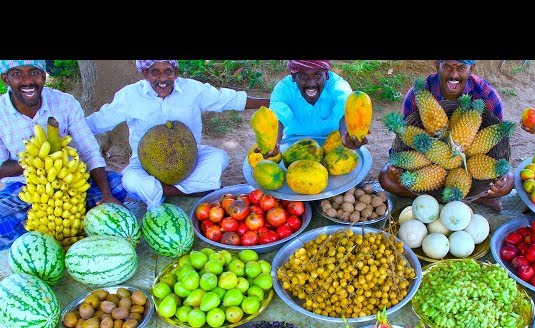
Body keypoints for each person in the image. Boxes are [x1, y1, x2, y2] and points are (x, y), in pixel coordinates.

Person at [86, 60, 270, 209]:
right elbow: (97, 122)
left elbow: (228, 99)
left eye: (168, 71)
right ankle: (189, 190)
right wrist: (66, 130)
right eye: (155, 72)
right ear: (145, 74)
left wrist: (272, 102)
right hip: (145, 165)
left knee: (219, 157)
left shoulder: (193, 90)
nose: (162, 79)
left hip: (190, 159)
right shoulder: (129, 96)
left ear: (176, 71)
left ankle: (162, 192)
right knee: (130, 180)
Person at [0, 60, 126, 251]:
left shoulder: (65, 103)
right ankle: (55, 227)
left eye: (34, 72)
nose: (27, 81)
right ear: (5, 79)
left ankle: (47, 227)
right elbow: (1, 169)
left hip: (71, 184)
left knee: (119, 185)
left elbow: (90, 151)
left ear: (43, 76)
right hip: (25, 187)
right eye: (17, 74)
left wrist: (107, 194)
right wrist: (38, 161)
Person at [402, 60, 512, 211]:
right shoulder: (418, 93)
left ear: (471, 68)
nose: (454, 74)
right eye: (447, 66)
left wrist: (500, 181)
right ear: (437, 66)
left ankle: (447, 198)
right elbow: (405, 136)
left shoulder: (487, 94)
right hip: (430, 161)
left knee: (508, 182)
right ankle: (477, 198)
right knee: (386, 178)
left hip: (473, 163)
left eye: (461, 68)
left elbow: (499, 138)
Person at [266, 60, 368, 156]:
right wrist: (272, 142)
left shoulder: (337, 85)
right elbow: (277, 117)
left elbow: (345, 108)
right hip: (294, 146)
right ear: (293, 77)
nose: (311, 83)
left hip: (333, 144)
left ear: (327, 75)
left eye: (317, 75)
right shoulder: (284, 88)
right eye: (303, 76)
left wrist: (347, 133)